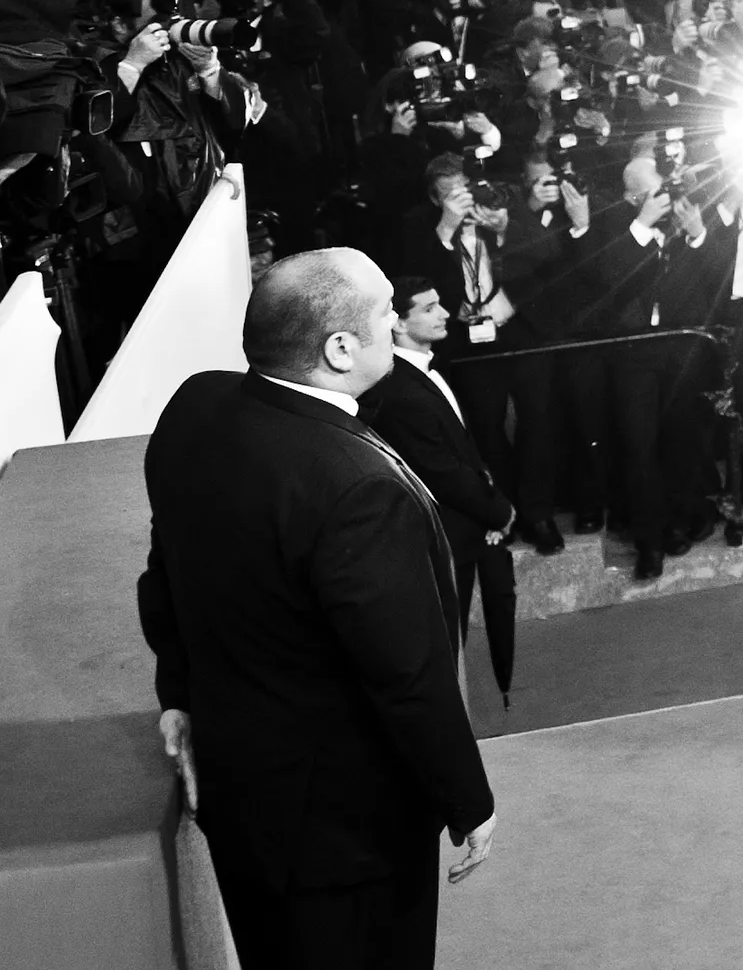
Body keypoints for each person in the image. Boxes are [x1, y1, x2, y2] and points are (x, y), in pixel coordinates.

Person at [139, 250, 499, 967]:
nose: (397, 320)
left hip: (241, 801)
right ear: (339, 349)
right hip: (346, 834)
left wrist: (178, 693)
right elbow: (406, 676)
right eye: (385, 310)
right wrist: (469, 800)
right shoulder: (358, 488)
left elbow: (166, 574)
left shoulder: (195, 405)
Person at [363, 275, 513, 653]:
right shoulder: (400, 390)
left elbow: (462, 452)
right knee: (446, 649)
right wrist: (497, 512)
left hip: (461, 530)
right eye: (429, 309)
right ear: (398, 323)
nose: (445, 313)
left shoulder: (425, 372)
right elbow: (441, 470)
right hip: (442, 539)